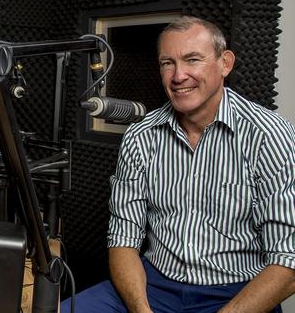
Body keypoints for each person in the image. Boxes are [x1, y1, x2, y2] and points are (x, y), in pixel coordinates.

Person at [62, 16, 294, 313]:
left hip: (236, 294)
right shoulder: (141, 135)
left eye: (192, 59)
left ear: (225, 63)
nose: (178, 75)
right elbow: (123, 239)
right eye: (167, 63)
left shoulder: (269, 135)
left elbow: (288, 259)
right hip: (153, 285)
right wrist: (141, 310)